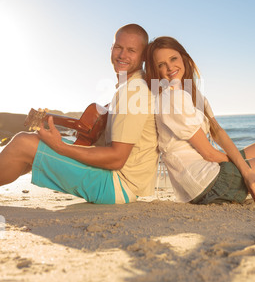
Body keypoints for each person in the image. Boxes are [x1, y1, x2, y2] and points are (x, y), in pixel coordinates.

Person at [0, 24, 159, 204]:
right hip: (123, 184)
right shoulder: (132, 87)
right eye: (118, 47)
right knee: (33, 147)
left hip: (117, 186)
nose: (122, 55)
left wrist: (61, 147)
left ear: (144, 55)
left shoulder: (133, 92)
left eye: (131, 50)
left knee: (22, 142)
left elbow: (117, 159)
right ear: (111, 48)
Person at [145, 36, 255, 204]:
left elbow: (218, 133)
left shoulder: (193, 94)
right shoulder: (172, 98)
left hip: (211, 172)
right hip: (207, 184)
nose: (169, 67)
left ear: (183, 57)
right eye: (161, 65)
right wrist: (249, 171)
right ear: (156, 71)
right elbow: (209, 154)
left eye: (173, 58)